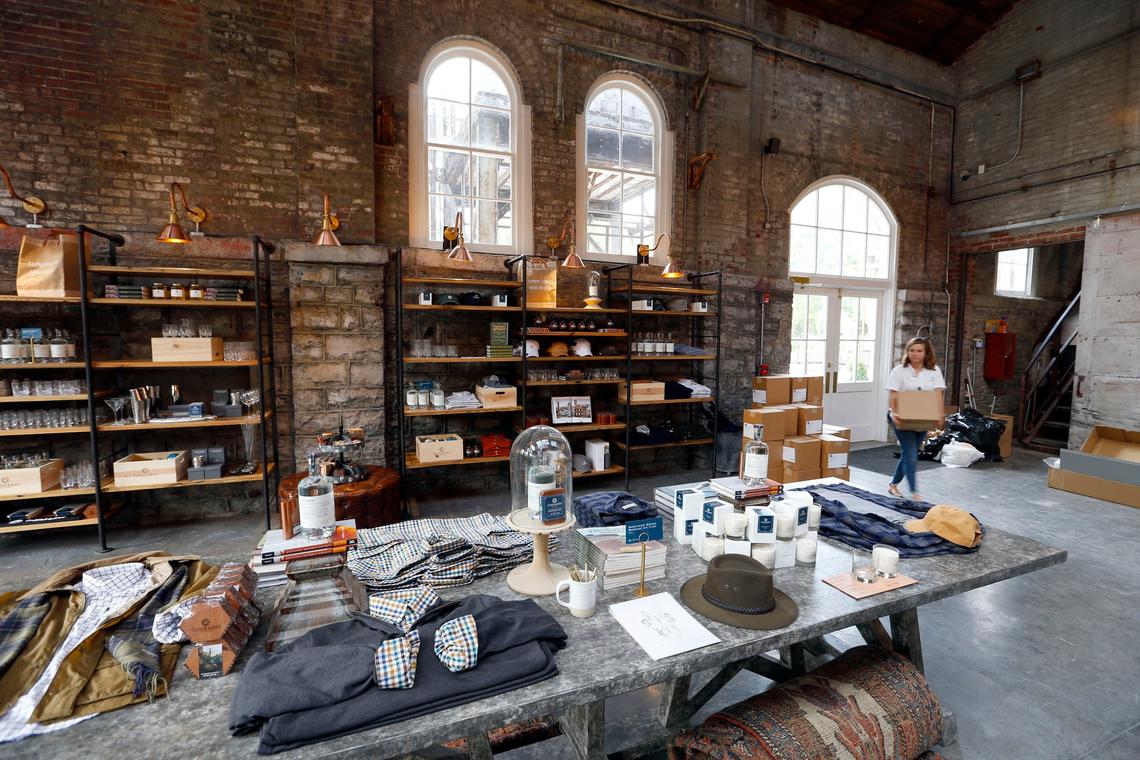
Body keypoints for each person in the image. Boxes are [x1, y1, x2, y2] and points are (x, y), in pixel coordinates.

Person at [886, 337, 946, 501]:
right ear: (907, 352)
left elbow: (938, 393)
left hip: (923, 417)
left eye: (919, 350)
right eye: (912, 350)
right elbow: (893, 393)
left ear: (926, 353)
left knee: (908, 454)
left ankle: (893, 485)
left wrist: (939, 414)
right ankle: (914, 492)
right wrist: (894, 413)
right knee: (911, 455)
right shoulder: (899, 370)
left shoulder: (934, 371)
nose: (915, 354)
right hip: (901, 417)